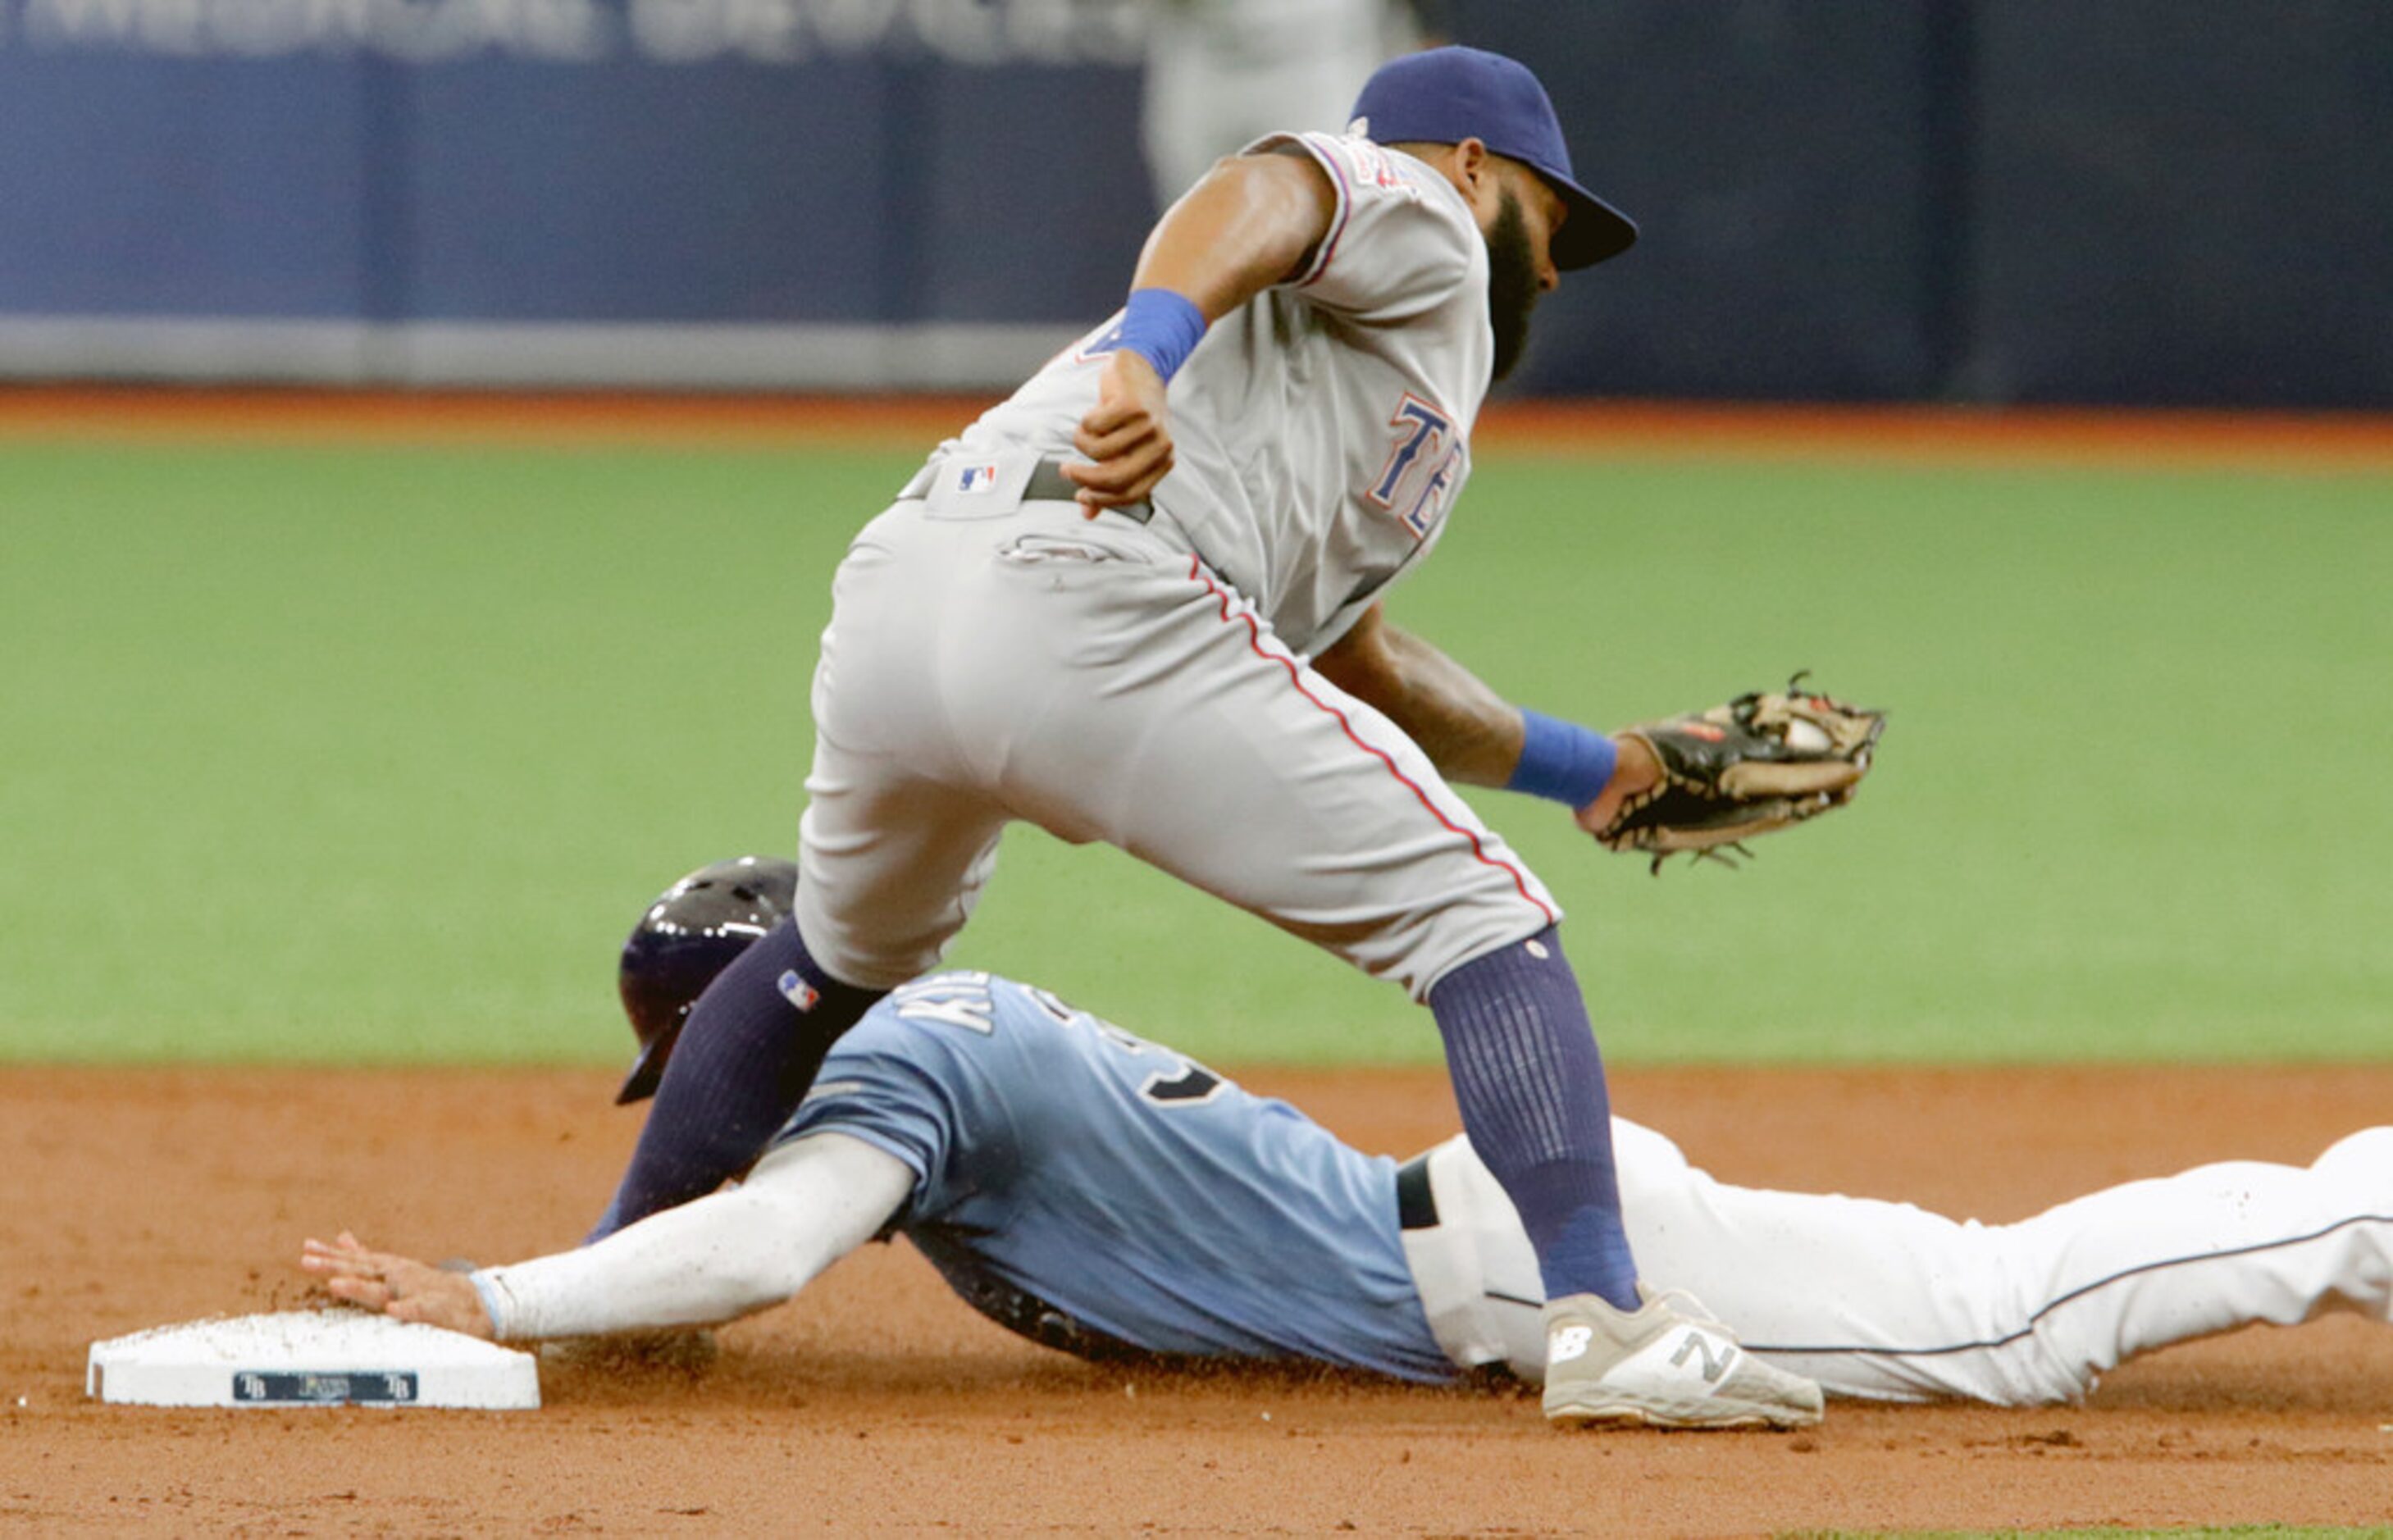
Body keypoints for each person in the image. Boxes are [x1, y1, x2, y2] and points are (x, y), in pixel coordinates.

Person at [589, 45, 1819, 1429]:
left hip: (911, 589)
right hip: (1085, 585)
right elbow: (1267, 187)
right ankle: (1603, 1320)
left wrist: (1592, 771)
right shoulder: (1419, 218)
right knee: (1479, 919)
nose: (1551, 266)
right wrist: (1142, 358)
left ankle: (613, 1297)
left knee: (835, 950)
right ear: (1475, 169)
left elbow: (1349, 660)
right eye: (1550, 217)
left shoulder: (1366, 381)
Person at [305, 858, 2393, 1412]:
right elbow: (738, 1249)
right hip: (1471, 1234)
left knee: (2000, 1313)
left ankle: (2359, 1210)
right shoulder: (926, 1042)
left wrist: (498, 1297)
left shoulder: (898, 1063)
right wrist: (597, 1308)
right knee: (1987, 1294)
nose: (691, 1117)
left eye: (683, 1077)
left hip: (1501, 1268)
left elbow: (753, 1252)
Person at [1140, 0, 1448, 208]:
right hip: (1200, 54)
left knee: (1336, 220)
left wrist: (1428, 25)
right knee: (1197, 229)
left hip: (1319, 54)